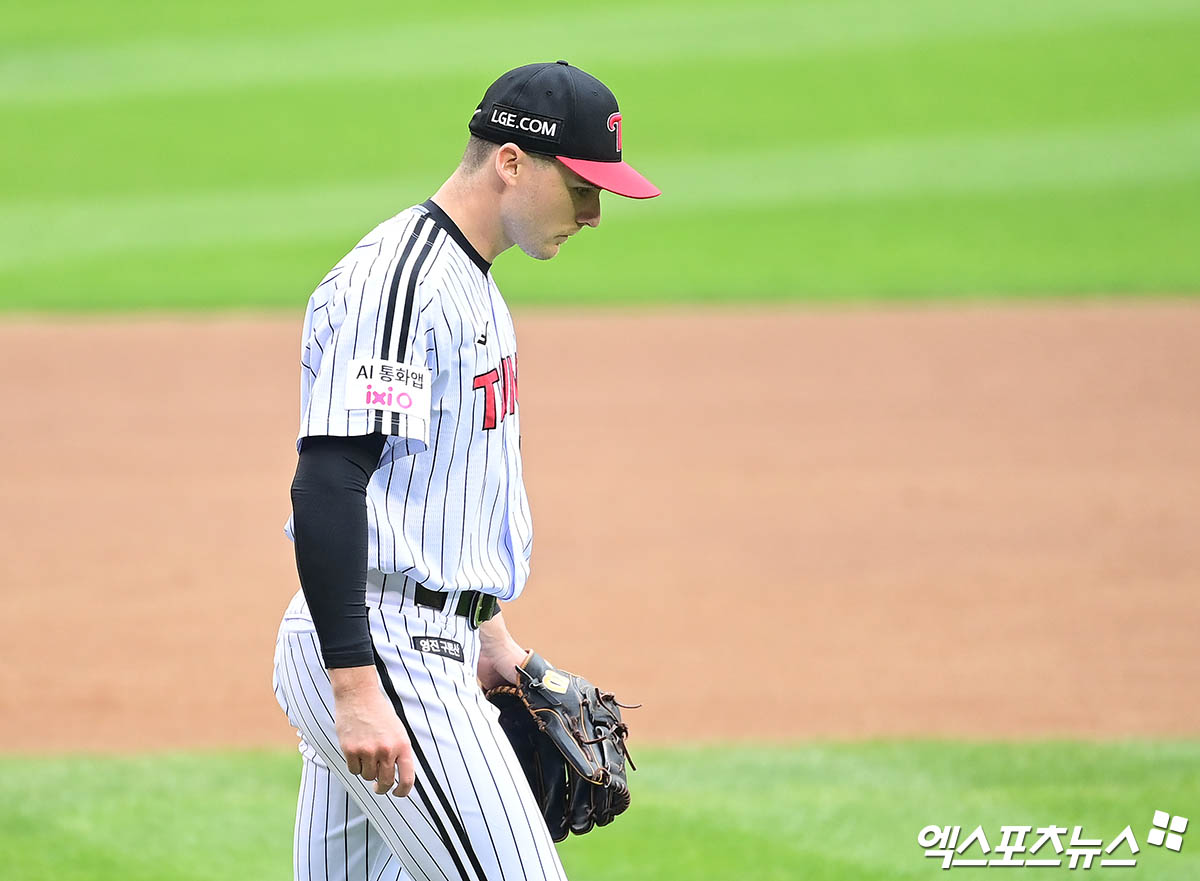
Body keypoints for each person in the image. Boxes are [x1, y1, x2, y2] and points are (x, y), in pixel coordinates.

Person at [271, 61, 660, 881]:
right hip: (384, 652)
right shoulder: (401, 283)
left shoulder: (472, 284)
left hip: (424, 639)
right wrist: (355, 685)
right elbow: (330, 481)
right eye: (582, 187)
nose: (593, 214)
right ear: (511, 161)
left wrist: (491, 638)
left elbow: (435, 491)